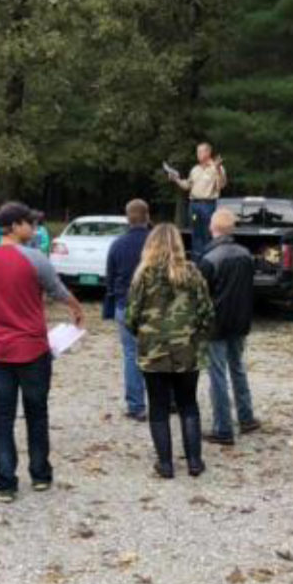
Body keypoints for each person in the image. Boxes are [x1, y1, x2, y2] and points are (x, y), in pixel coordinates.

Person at [0, 203, 84, 503]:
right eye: (29, 224)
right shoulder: (34, 258)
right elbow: (57, 290)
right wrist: (76, 309)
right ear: (16, 225)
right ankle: (40, 474)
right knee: (37, 411)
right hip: (32, 347)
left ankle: (5, 482)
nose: (33, 229)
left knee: (1, 416)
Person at [125, 224, 214, 479]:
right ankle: (195, 462)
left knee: (158, 407)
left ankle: (165, 464)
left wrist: (144, 334)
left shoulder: (143, 275)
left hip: (153, 351)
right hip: (187, 350)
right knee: (188, 405)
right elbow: (207, 312)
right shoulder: (193, 273)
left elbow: (131, 316)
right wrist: (197, 336)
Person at [198, 208, 260, 445]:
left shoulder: (209, 259)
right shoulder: (245, 255)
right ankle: (246, 417)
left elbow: (200, 295)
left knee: (217, 373)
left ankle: (223, 427)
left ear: (212, 228)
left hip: (216, 323)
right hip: (240, 320)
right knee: (238, 368)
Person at [103, 199, 151, 422]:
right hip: (154, 306)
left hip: (126, 304)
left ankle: (136, 405)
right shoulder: (155, 243)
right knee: (158, 354)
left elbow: (110, 278)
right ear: (147, 216)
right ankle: (164, 401)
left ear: (127, 217)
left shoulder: (118, 244)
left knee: (131, 355)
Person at [167, 142, 227, 261]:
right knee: (195, 233)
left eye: (201, 151)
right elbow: (187, 186)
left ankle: (208, 261)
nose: (198, 154)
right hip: (194, 206)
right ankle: (196, 261)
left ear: (208, 152)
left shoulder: (217, 168)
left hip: (208, 206)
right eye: (197, 152)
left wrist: (219, 170)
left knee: (207, 234)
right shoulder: (195, 169)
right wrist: (176, 179)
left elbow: (221, 185)